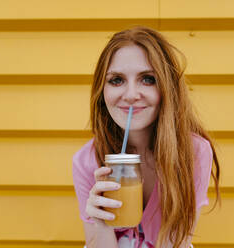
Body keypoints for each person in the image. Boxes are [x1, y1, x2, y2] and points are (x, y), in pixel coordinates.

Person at [72, 26, 221, 248]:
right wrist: (101, 224)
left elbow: (176, 242)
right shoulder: (86, 161)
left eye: (148, 79)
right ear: (101, 91)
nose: (131, 95)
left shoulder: (193, 152)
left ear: (167, 88)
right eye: (116, 80)